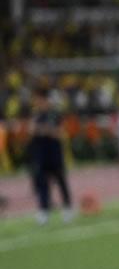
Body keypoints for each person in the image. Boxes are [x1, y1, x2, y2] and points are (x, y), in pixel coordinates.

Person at [27, 93, 75, 225]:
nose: (39, 104)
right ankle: (44, 211)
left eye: (41, 101)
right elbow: (31, 130)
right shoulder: (36, 116)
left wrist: (44, 130)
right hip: (41, 156)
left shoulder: (55, 115)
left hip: (55, 154)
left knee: (60, 181)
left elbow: (59, 132)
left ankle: (67, 208)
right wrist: (44, 130)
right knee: (43, 184)